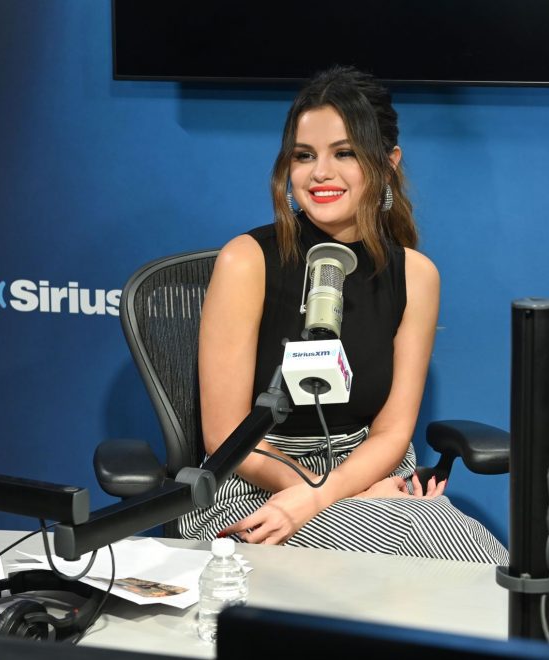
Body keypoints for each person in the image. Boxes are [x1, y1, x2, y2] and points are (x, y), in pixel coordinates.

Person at [182, 65, 509, 564]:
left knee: (453, 551)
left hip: (366, 475)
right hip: (250, 481)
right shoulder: (246, 261)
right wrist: (327, 495)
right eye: (304, 155)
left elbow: (393, 432)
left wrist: (337, 492)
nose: (320, 173)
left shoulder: (416, 276)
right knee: (431, 546)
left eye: (345, 153)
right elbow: (227, 435)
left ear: (388, 162)